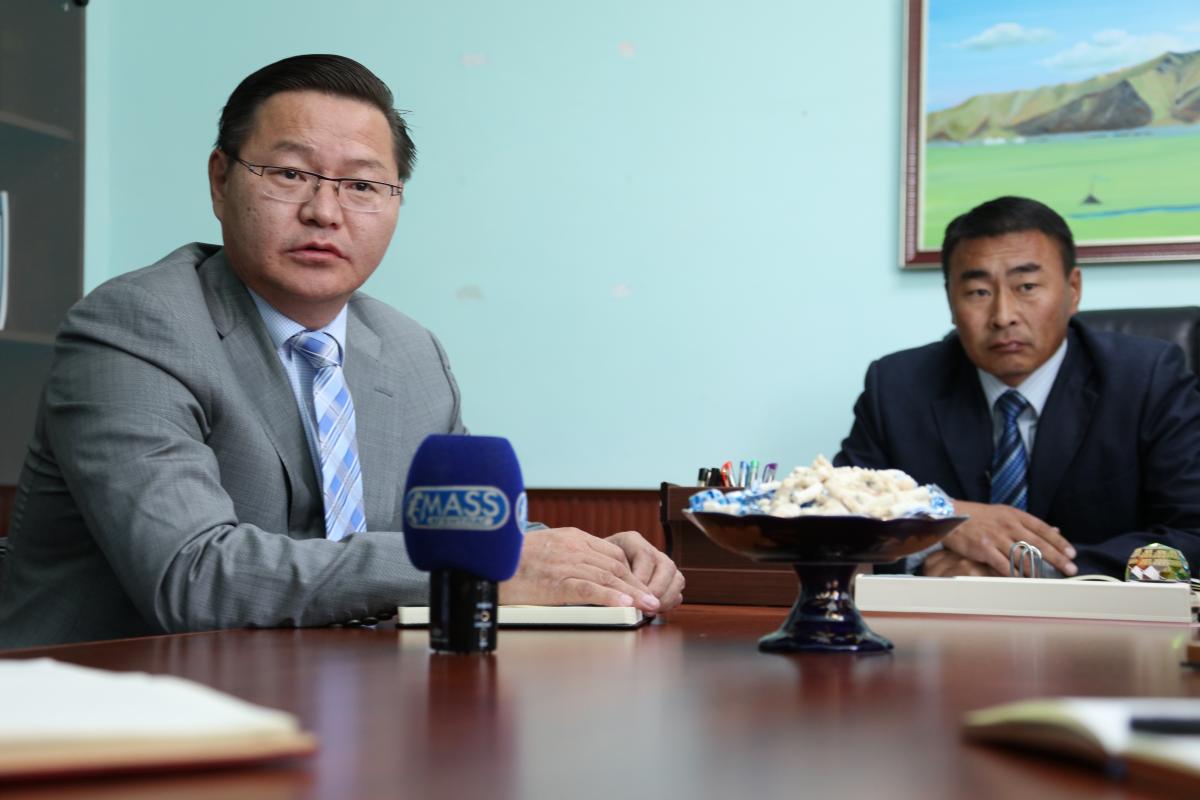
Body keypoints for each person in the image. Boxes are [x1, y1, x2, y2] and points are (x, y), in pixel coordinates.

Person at [0, 55, 683, 649]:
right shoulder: (136, 326)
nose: (325, 211)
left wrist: (596, 561)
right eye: (290, 173)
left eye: (361, 185)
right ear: (220, 181)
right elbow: (193, 576)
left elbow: (461, 526)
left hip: (332, 691)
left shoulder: (412, 355)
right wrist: (489, 564)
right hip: (106, 706)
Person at [836, 196, 1200, 578]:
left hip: (1104, 614)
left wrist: (1028, 569)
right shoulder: (897, 387)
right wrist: (940, 519)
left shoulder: (1147, 380)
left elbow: (1193, 539)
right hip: (942, 615)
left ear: (1073, 289)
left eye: (1026, 286)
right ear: (950, 300)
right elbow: (836, 520)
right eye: (979, 292)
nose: (1003, 316)